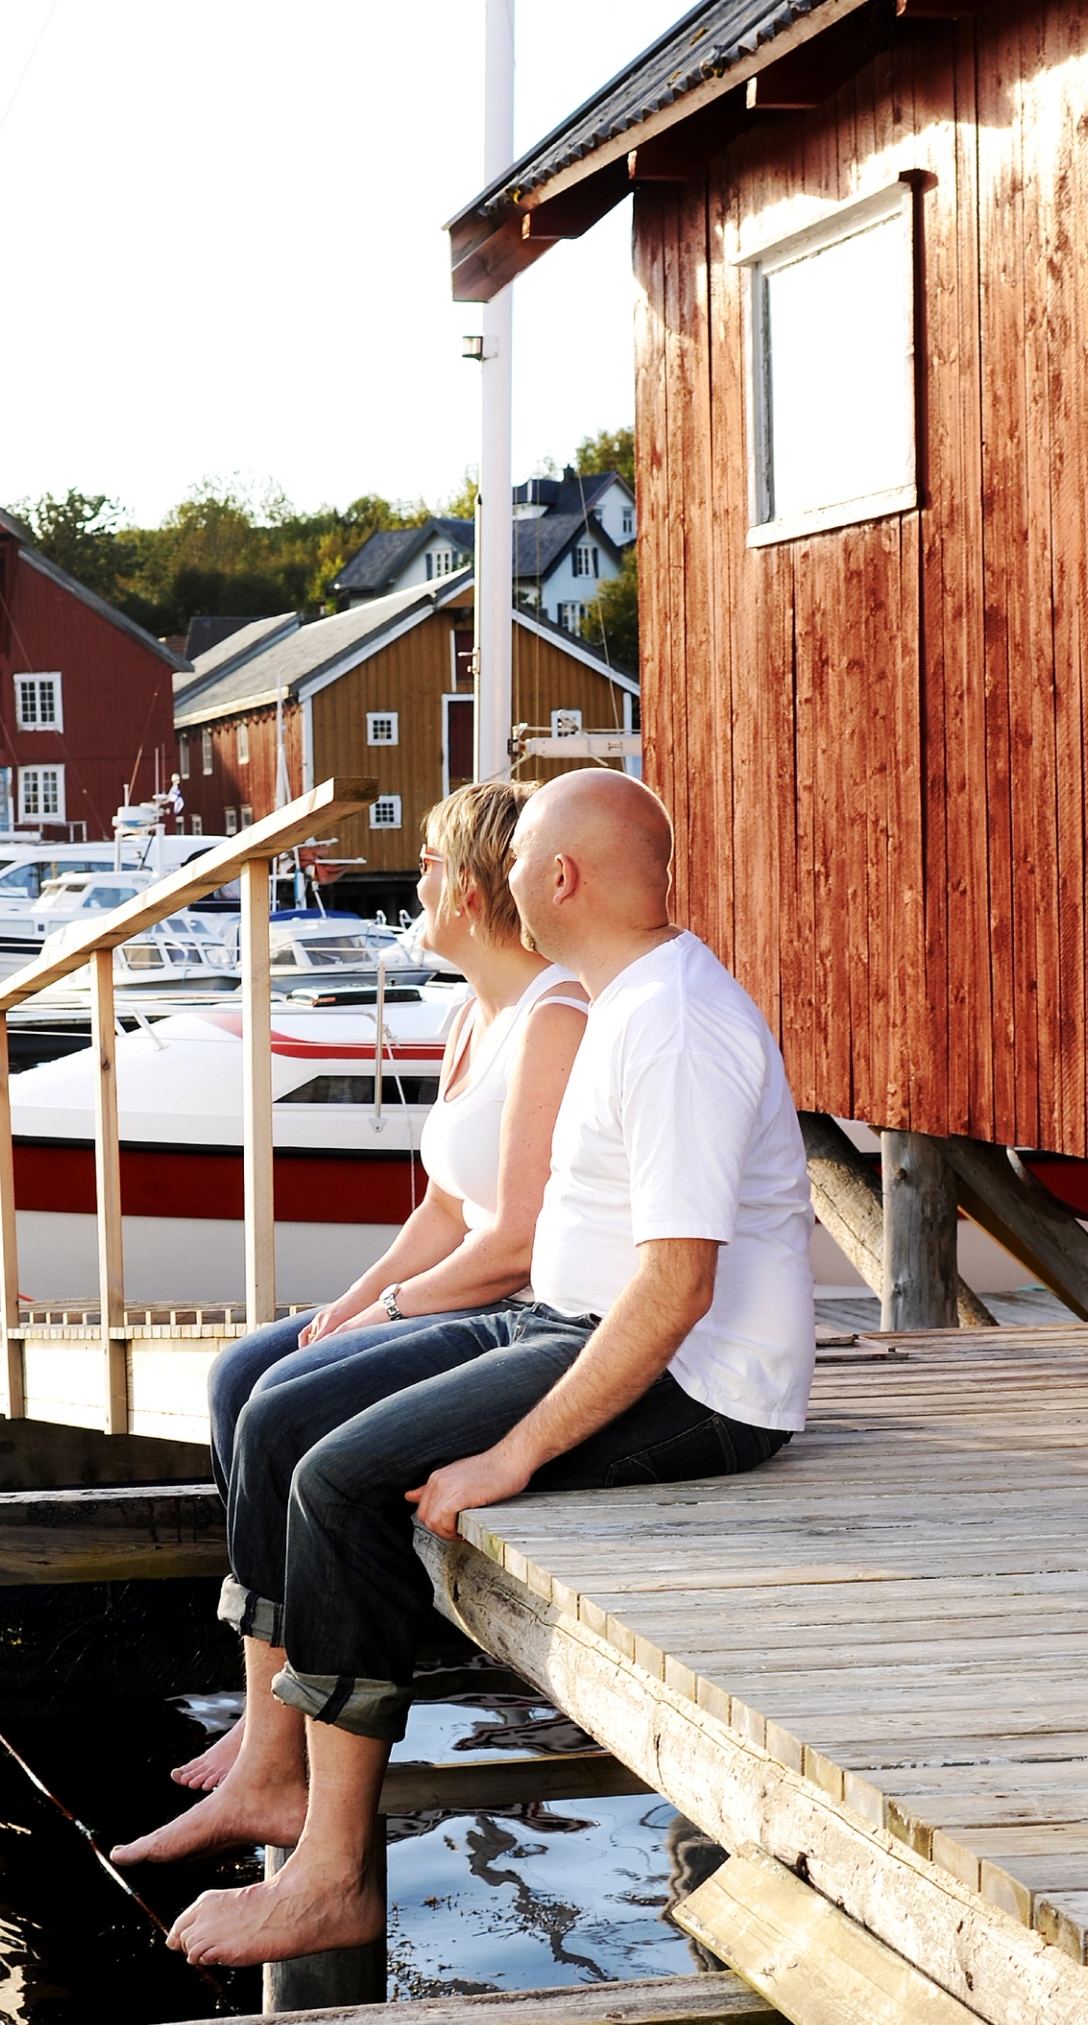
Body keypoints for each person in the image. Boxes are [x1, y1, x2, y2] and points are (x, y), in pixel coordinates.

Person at [159, 768, 820, 1968]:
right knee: (283, 1408)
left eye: (522, 862)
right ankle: (278, 1773)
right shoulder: (616, 995)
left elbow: (677, 1291)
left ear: (561, 879)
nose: (504, 874)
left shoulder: (673, 1021)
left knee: (340, 1482)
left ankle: (335, 1874)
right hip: (562, 1322)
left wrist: (512, 1454)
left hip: (705, 1390)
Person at [114, 780, 590, 1854]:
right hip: (457, 1295)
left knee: (285, 1415)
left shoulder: (556, 1016)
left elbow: (511, 1241)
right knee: (243, 1373)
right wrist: (346, 1306)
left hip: (517, 1318)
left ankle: (282, 1762)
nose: (412, 881)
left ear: (471, 891)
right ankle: (264, 1709)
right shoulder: (479, 1011)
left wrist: (385, 1312)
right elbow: (443, 1208)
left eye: (427, 864)